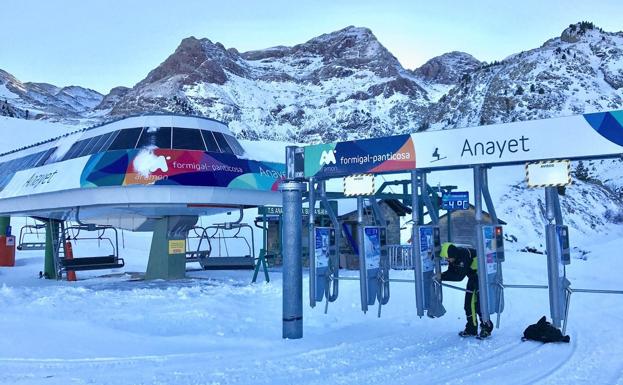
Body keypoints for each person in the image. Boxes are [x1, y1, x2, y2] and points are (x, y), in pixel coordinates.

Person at [439, 242, 494, 338]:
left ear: (452, 254)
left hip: (482, 277)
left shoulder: (463, 255)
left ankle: (487, 327)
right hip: (473, 277)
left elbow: (459, 276)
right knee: (468, 304)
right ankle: (471, 328)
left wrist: (441, 276)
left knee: (480, 304)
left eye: (448, 258)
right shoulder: (454, 258)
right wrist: (441, 275)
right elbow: (451, 272)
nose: (447, 260)